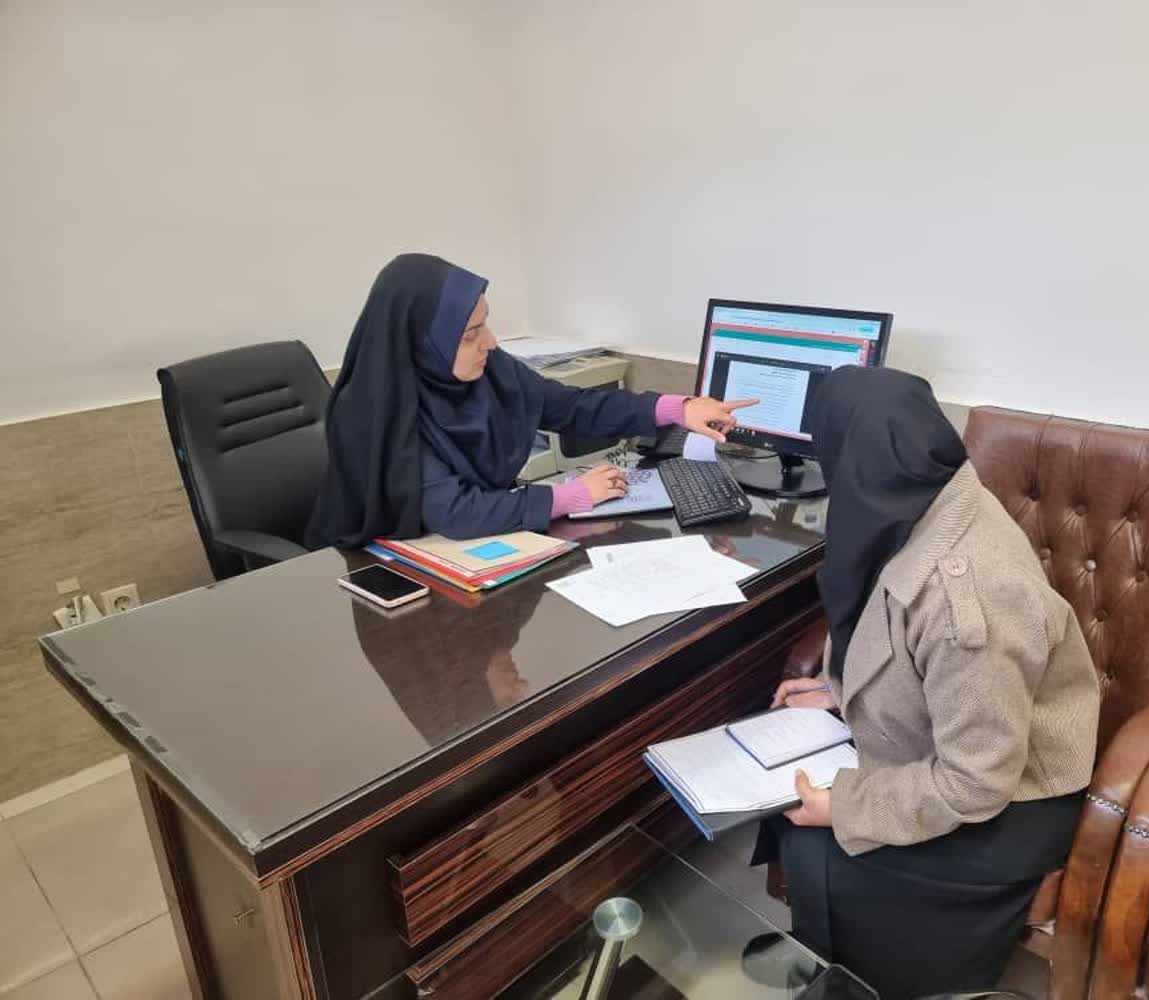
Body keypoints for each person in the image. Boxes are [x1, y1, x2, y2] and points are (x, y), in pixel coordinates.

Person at [754, 367, 1101, 999]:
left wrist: (848, 808)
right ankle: (826, 956)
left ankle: (865, 981)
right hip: (959, 746)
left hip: (1014, 800)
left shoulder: (964, 596)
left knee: (817, 847)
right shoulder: (927, 498)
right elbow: (888, 630)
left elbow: (977, 782)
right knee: (791, 818)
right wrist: (845, 688)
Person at [306, 253, 755, 548]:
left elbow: (574, 407)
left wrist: (678, 409)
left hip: (470, 551)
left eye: (486, 323)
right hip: (384, 572)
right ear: (424, 345)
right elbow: (456, 511)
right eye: (470, 333)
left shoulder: (492, 371)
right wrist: (571, 496)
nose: (490, 341)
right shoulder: (381, 412)